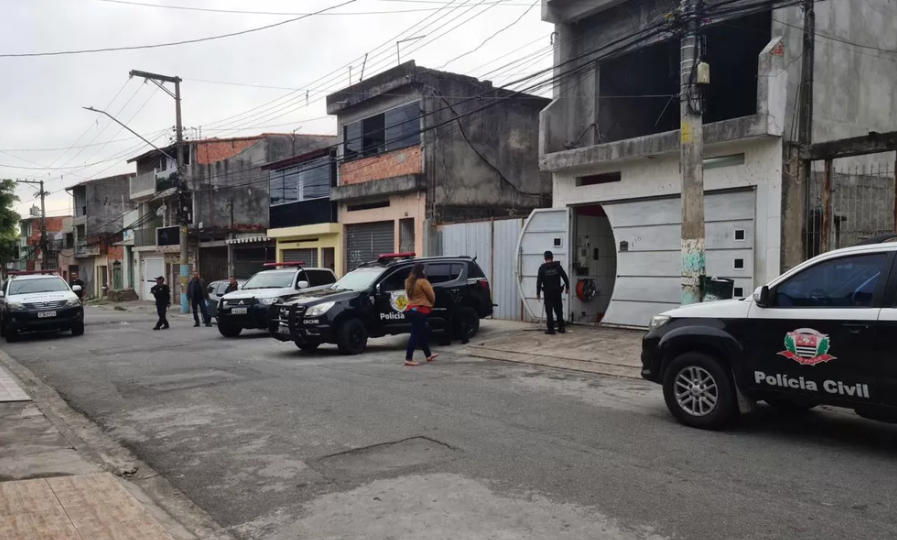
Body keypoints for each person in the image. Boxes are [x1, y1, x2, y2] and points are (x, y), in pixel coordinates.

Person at [404, 263, 437, 367]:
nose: (424, 271)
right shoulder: (423, 282)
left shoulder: (408, 281)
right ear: (420, 271)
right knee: (415, 333)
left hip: (411, 309)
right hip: (420, 310)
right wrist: (431, 304)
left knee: (420, 332)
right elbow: (432, 295)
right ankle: (408, 358)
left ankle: (428, 355)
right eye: (423, 270)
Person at [536, 250, 570, 335]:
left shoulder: (542, 268)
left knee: (549, 311)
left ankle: (551, 329)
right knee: (559, 310)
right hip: (557, 292)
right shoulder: (557, 266)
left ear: (544, 258)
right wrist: (567, 287)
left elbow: (539, 282)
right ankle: (561, 327)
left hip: (548, 293)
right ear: (552, 257)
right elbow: (565, 276)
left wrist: (538, 293)